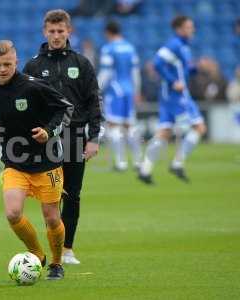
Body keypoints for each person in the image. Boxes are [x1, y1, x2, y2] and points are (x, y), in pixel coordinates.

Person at [0, 40, 73, 280]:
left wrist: (49, 131)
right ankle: (37, 255)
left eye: (7, 64)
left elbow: (64, 108)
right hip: (15, 162)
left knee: (52, 218)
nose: (3, 69)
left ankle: (56, 263)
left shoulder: (34, 87)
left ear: (16, 62)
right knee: (12, 214)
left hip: (48, 162)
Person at [23, 9, 102, 265]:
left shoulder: (81, 64)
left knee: (72, 193)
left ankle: (68, 249)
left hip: (75, 136)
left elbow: (93, 102)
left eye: (61, 31)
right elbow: (24, 104)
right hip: (45, 139)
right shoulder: (33, 66)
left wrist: (93, 138)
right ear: (44, 32)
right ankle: (54, 248)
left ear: (69, 31)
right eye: (52, 31)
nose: (56, 36)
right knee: (51, 195)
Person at [138, 16, 207, 184]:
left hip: (170, 95)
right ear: (179, 29)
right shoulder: (174, 44)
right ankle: (177, 163)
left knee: (165, 132)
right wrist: (173, 81)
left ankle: (145, 169)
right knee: (199, 127)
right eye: (189, 27)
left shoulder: (183, 46)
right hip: (176, 95)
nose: (192, 30)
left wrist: (197, 67)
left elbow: (184, 69)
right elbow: (157, 63)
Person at [98, 21, 142, 171]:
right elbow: (135, 72)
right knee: (130, 126)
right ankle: (138, 161)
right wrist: (137, 91)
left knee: (113, 125)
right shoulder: (130, 48)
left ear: (107, 32)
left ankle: (120, 163)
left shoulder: (108, 49)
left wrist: (96, 88)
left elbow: (106, 72)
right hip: (129, 90)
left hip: (115, 91)